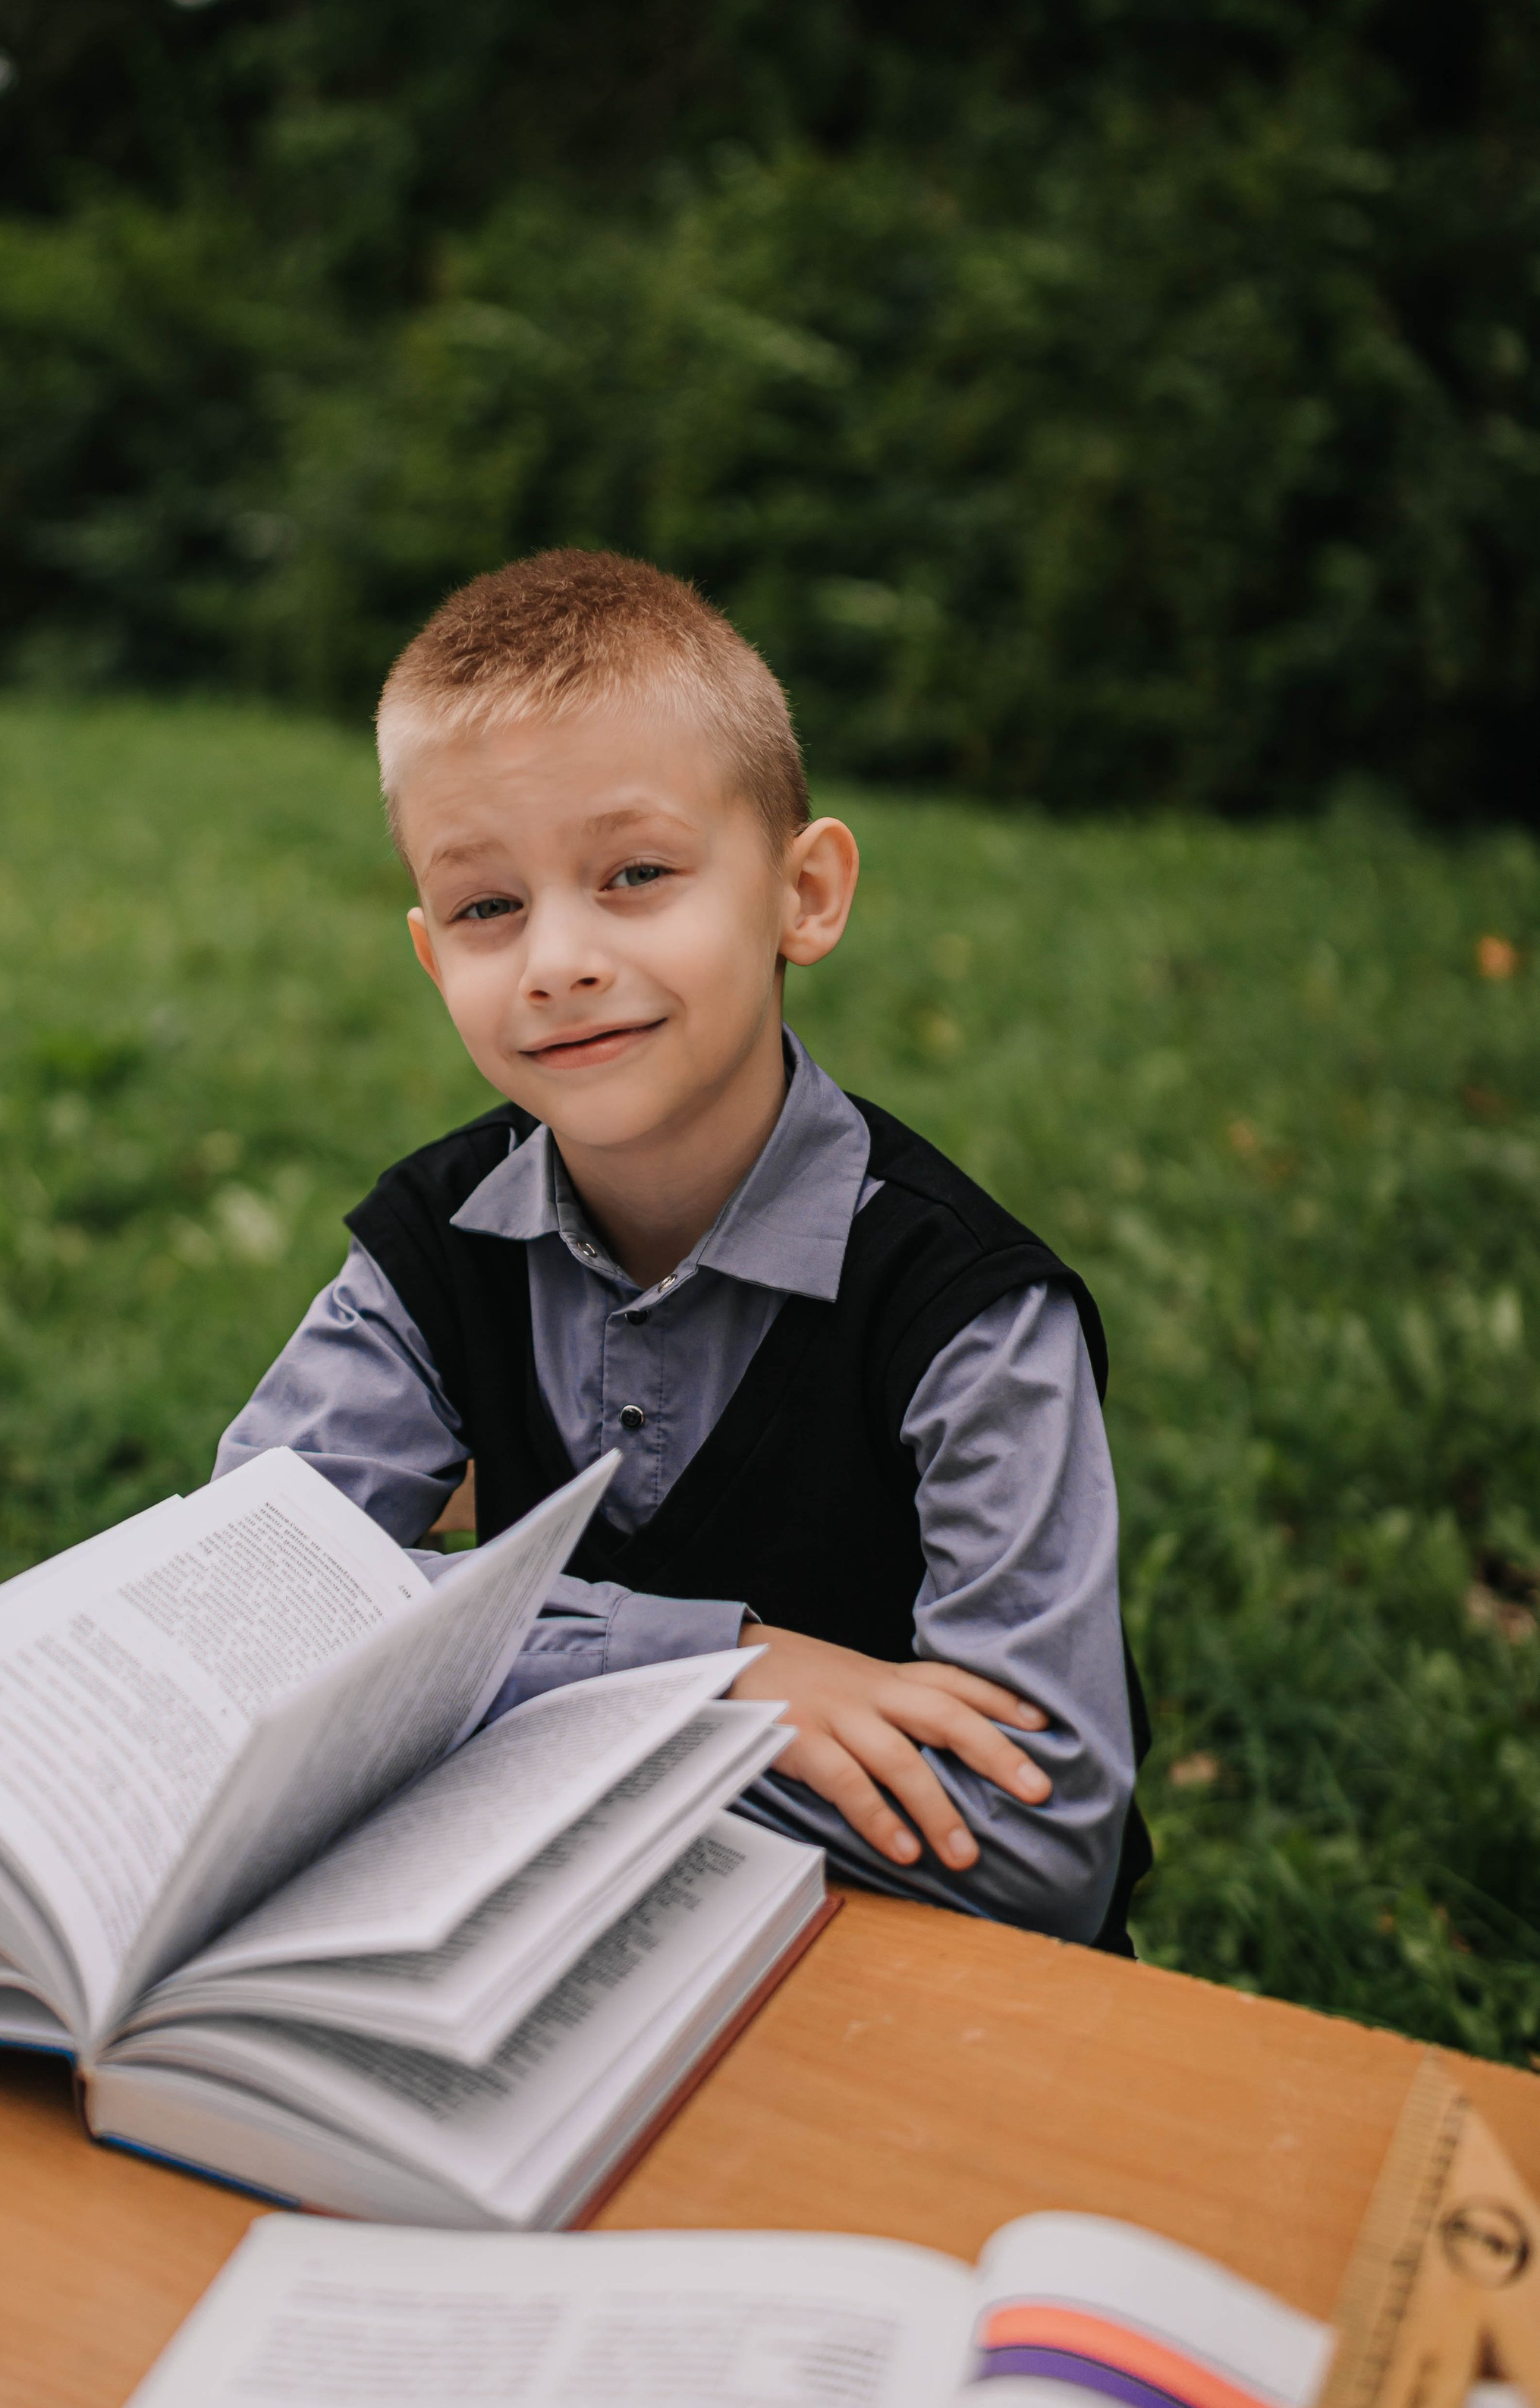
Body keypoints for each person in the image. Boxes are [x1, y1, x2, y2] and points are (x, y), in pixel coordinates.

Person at [215, 549, 1151, 1950]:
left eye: (636, 873)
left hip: (912, 2009)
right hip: (532, 1961)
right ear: (432, 957)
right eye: (488, 908)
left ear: (803, 895)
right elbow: (242, 1600)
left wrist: (462, 1698)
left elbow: (1034, 1843)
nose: (557, 959)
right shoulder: (433, 1251)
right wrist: (716, 1673)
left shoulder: (966, 1317)